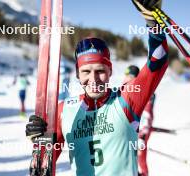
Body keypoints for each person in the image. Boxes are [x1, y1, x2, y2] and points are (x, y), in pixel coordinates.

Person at [26, 0, 168, 175]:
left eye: (100, 71)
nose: (93, 79)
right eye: (86, 71)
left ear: (110, 71)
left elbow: (158, 61)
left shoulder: (127, 99)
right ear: (77, 75)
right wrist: (41, 138)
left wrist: (152, 22)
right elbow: (45, 166)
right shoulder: (65, 111)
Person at [123, 65, 156, 176]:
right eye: (126, 75)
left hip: (141, 131)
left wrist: (142, 135)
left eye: (130, 76)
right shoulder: (125, 89)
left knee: (140, 158)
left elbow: (147, 114)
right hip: (129, 131)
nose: (126, 78)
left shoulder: (143, 90)